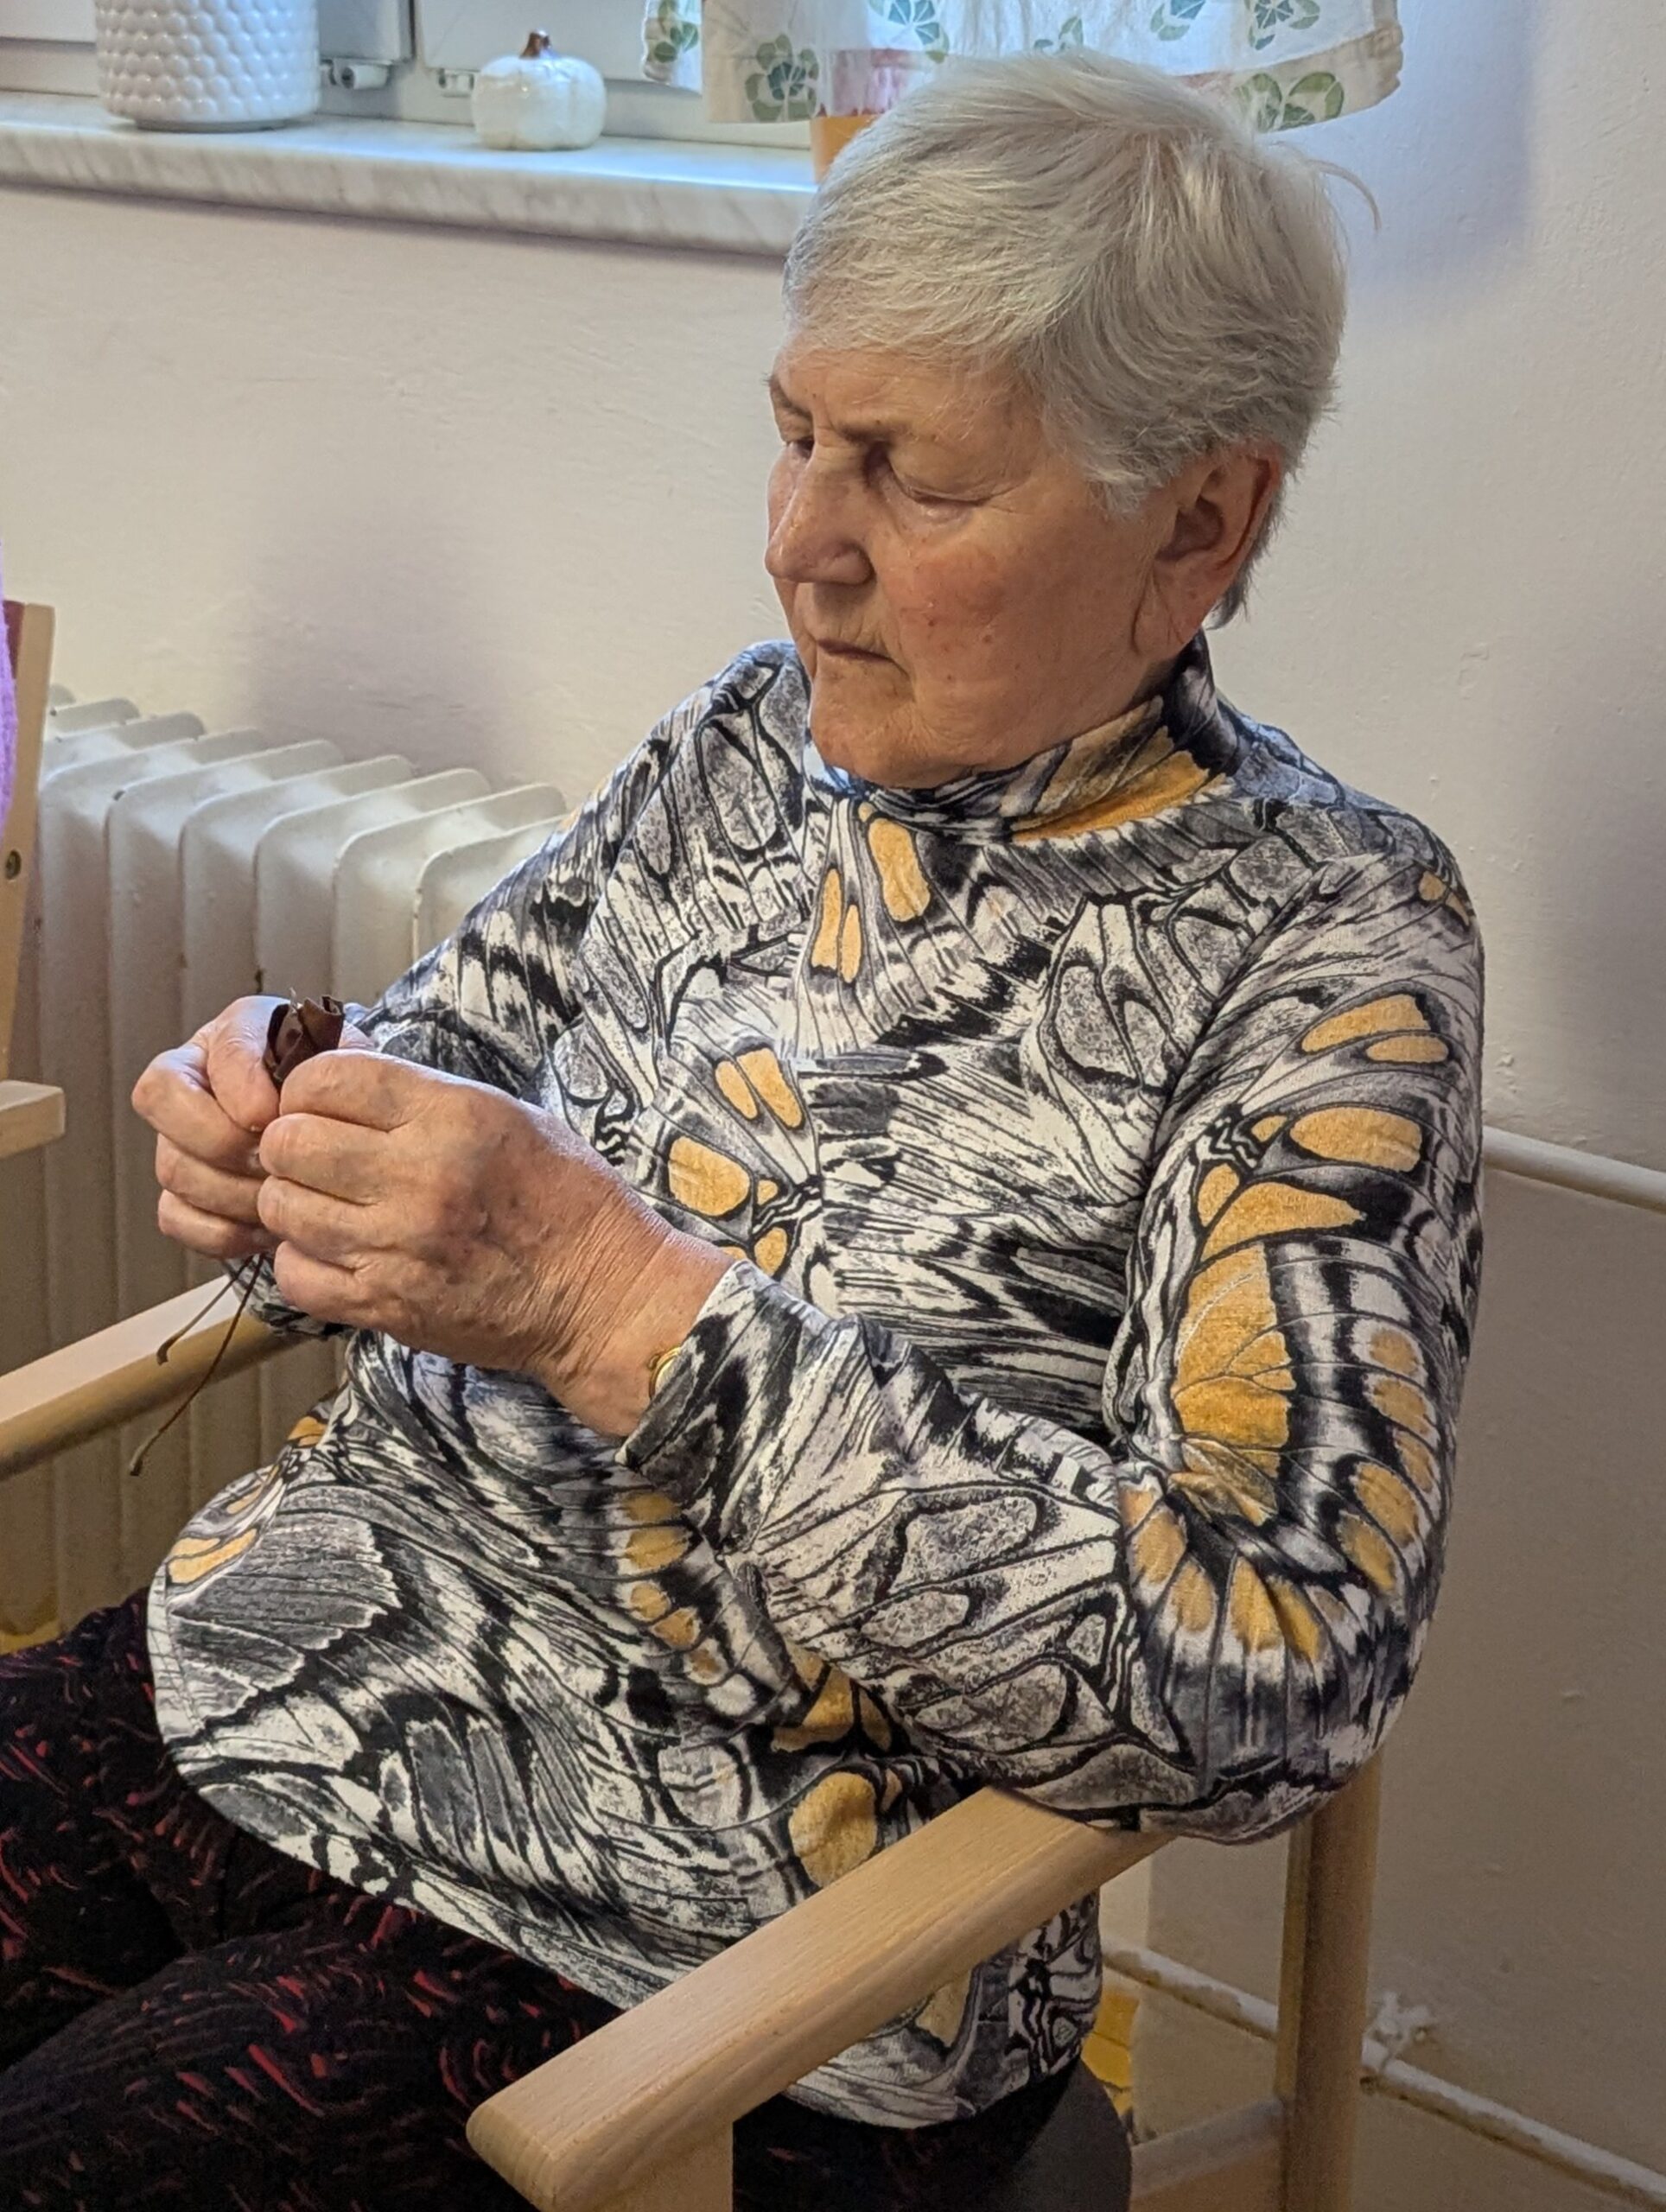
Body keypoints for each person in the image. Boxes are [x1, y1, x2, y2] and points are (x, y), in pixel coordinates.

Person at [0, 48, 1483, 2210]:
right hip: (280, 1655)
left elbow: (1272, 1673)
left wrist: (616, 1304)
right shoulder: (741, 742)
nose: (802, 544)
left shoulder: (1329, 948)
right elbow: (449, 1058)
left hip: (705, 1921)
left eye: (913, 479)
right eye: (796, 434)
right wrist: (277, 1126)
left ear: (1198, 521)